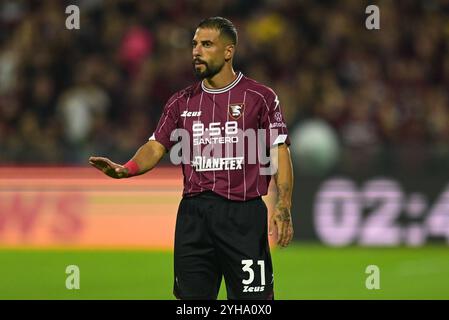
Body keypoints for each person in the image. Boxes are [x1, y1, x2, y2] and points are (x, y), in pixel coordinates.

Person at [89, 17, 294, 300]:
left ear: (228, 51)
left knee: (254, 304)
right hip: (194, 217)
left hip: (243, 216)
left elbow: (279, 150)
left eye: (206, 44)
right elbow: (155, 145)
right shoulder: (181, 101)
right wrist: (127, 169)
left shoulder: (260, 97)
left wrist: (283, 204)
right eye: (194, 44)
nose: (196, 51)